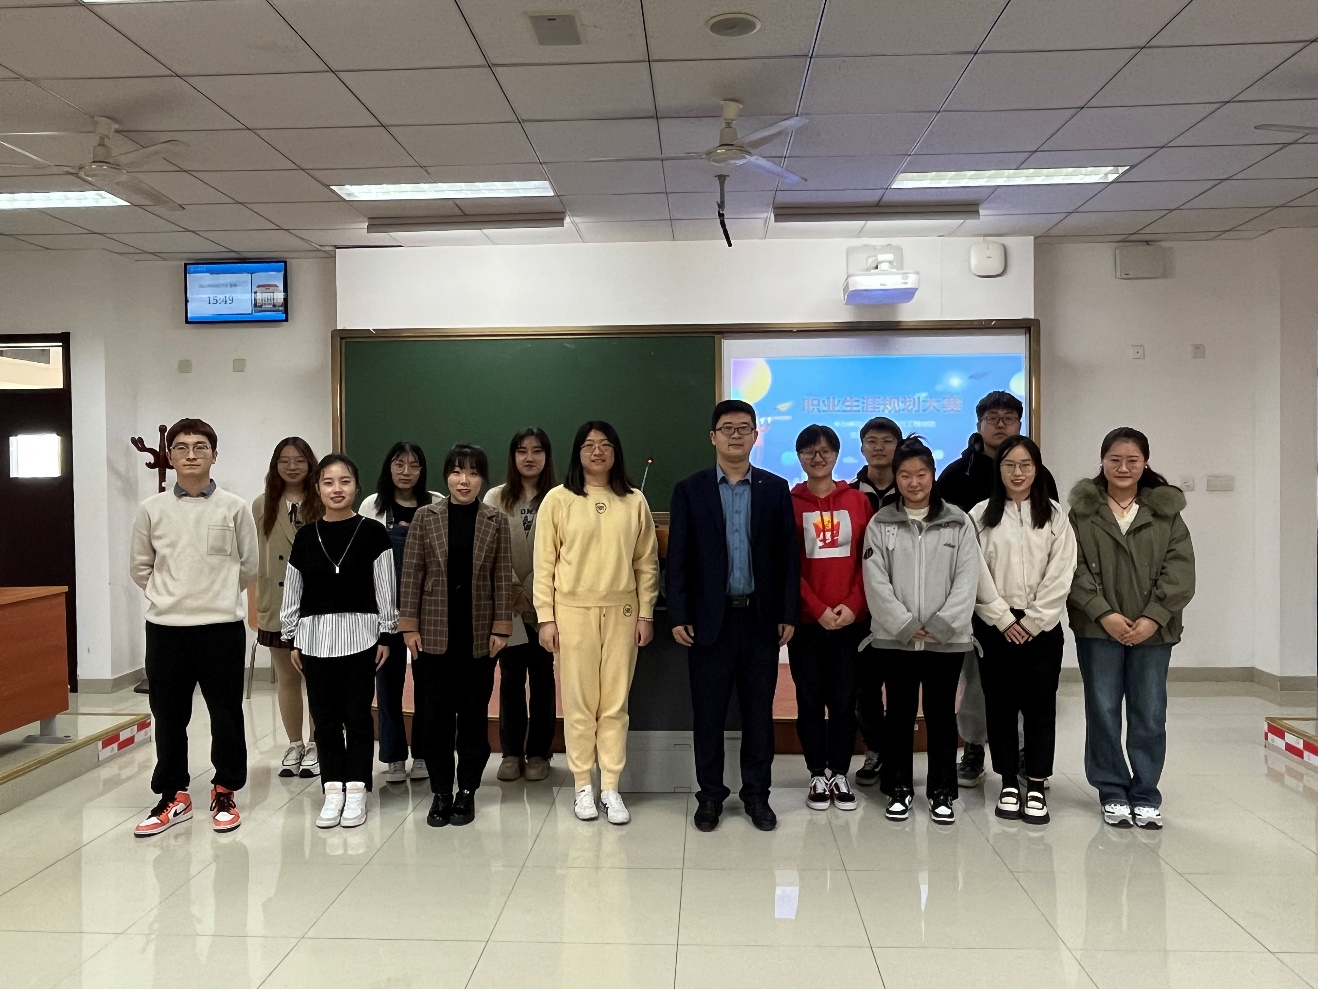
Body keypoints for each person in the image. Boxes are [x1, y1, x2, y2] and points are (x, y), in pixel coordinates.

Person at [667, 401, 798, 834]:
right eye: (727, 428)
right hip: (709, 621)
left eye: (744, 428)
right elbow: (679, 556)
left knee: (759, 714)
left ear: (756, 435)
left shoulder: (775, 488)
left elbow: (787, 556)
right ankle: (710, 797)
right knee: (708, 715)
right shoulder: (691, 490)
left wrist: (787, 612)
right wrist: (679, 613)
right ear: (713, 437)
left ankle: (757, 795)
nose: (736, 435)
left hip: (760, 619)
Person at [130, 418, 258, 837]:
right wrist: (170, 596)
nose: (190, 455)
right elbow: (140, 567)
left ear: (214, 455)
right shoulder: (151, 509)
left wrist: (217, 595)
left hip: (221, 627)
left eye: (200, 447)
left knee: (226, 714)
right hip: (166, 628)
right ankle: (173, 795)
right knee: (168, 715)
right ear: (170, 456)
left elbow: (249, 565)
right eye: (181, 448)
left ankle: (225, 790)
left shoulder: (234, 507)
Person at [1068, 427, 1195, 831]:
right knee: (1103, 710)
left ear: (1145, 463)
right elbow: (1070, 568)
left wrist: (1153, 617)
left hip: (1153, 632)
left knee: (1150, 712)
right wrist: (1103, 613)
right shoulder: (1082, 512)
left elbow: (1180, 571)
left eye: (1132, 460)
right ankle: (1111, 789)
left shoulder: (1165, 513)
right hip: (1097, 629)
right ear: (1102, 461)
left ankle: (1145, 792)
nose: (1123, 468)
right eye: (1115, 460)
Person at [535, 422, 659, 826]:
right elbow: (544, 565)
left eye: (606, 444)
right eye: (589, 445)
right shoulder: (558, 499)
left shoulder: (634, 500)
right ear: (578, 453)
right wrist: (546, 618)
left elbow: (646, 563)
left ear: (616, 452)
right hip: (572, 612)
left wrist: (645, 612)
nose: (597, 451)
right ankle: (582, 786)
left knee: (615, 705)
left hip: (622, 612)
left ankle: (610, 786)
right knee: (579, 704)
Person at [937, 390, 1057, 789]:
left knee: (1027, 689)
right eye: (993, 417)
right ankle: (974, 746)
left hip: (1032, 606)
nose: (1001, 423)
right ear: (979, 424)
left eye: (1009, 417)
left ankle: (1020, 751)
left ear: (1020, 424)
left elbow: (1051, 543)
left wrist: (1036, 612)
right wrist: (989, 606)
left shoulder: (1042, 477)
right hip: (976, 603)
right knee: (976, 683)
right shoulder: (956, 474)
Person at [862, 436, 980, 826]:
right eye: (905, 475)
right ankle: (899, 788)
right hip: (896, 639)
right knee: (898, 714)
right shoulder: (881, 522)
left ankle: (942, 791)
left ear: (932, 475)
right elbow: (875, 580)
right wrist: (905, 624)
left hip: (947, 639)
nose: (914, 483)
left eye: (921, 474)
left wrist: (944, 624)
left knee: (942, 715)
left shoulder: (958, 521)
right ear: (896, 477)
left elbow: (968, 578)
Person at [400, 444, 513, 828]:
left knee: (473, 719)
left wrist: (502, 627)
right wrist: (409, 626)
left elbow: (502, 577)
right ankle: (441, 792)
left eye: (473, 473)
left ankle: (467, 791)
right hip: (432, 636)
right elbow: (412, 573)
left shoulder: (496, 520)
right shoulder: (425, 517)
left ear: (483, 479)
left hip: (479, 637)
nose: (464, 480)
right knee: (434, 719)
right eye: (456, 472)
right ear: (446, 476)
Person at [280, 454, 396, 830]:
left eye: (344, 481)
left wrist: (386, 634)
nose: (336, 489)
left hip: (362, 637)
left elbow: (385, 586)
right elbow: (294, 589)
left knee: (358, 717)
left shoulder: (373, 532)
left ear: (356, 488)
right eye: (328, 482)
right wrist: (292, 637)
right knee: (325, 720)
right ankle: (332, 789)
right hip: (314, 640)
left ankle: (357, 788)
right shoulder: (305, 536)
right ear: (317, 489)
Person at [970, 436, 1077, 826]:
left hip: (1042, 629)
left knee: (1040, 707)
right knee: (999, 706)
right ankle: (1007, 782)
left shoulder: (1054, 515)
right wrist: (1002, 618)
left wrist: (1033, 620)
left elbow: (1062, 571)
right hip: (995, 627)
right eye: (1009, 465)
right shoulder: (980, 515)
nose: (1018, 473)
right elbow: (975, 572)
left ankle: (1035, 782)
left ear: (1037, 469)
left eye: (1025, 465)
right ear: (998, 470)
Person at [788, 424, 873, 812]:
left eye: (825, 451)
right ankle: (816, 774)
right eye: (809, 451)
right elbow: (787, 565)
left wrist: (853, 605)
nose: (817, 458)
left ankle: (840, 771)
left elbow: (869, 561)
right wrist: (816, 608)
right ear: (799, 457)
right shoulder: (789, 503)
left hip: (850, 620)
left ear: (837, 455)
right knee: (809, 700)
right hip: (808, 622)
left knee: (843, 700)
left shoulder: (858, 501)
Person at [360, 442, 443, 785]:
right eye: (399, 464)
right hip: (385, 610)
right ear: (389, 467)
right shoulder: (372, 506)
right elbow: (363, 560)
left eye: (413, 465)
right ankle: (394, 756)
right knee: (388, 684)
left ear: (422, 470)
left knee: (428, 686)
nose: (406, 472)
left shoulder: (437, 503)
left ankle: (423, 753)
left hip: (428, 611)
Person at [485, 428, 557, 784]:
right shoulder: (495, 497)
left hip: (548, 606)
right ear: (512, 457)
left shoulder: (560, 497)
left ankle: (540, 753)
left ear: (547, 456)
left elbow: (564, 549)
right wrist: (514, 588)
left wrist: (533, 591)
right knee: (511, 678)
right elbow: (489, 546)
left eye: (537, 450)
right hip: (507, 605)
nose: (530, 457)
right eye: (522, 451)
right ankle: (511, 752)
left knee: (544, 678)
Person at [251, 437, 320, 780]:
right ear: (275, 465)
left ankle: (318, 743)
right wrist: (256, 605)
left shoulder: (322, 499)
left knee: (317, 679)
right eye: (284, 460)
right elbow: (255, 559)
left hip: (318, 605)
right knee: (287, 679)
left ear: (310, 464)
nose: (292, 466)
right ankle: (295, 744)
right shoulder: (262, 504)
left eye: (299, 460)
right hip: (277, 605)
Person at [851, 416, 902, 787]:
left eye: (886, 440)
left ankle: (897, 754)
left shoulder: (914, 490)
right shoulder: (849, 495)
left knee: (900, 687)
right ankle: (875, 749)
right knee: (865, 687)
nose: (879, 447)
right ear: (862, 447)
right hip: (861, 608)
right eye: (872, 440)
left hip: (905, 608)